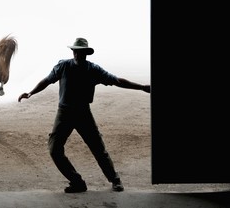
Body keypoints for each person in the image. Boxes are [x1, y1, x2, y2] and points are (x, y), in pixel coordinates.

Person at [18, 37, 151, 193]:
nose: (77, 55)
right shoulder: (63, 66)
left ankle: (115, 179)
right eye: (75, 51)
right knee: (55, 149)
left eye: (81, 52)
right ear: (72, 52)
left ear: (86, 53)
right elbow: (47, 80)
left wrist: (142, 87)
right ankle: (77, 182)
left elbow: (117, 81)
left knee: (98, 148)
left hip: (83, 113)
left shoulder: (93, 70)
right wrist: (31, 93)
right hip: (64, 113)